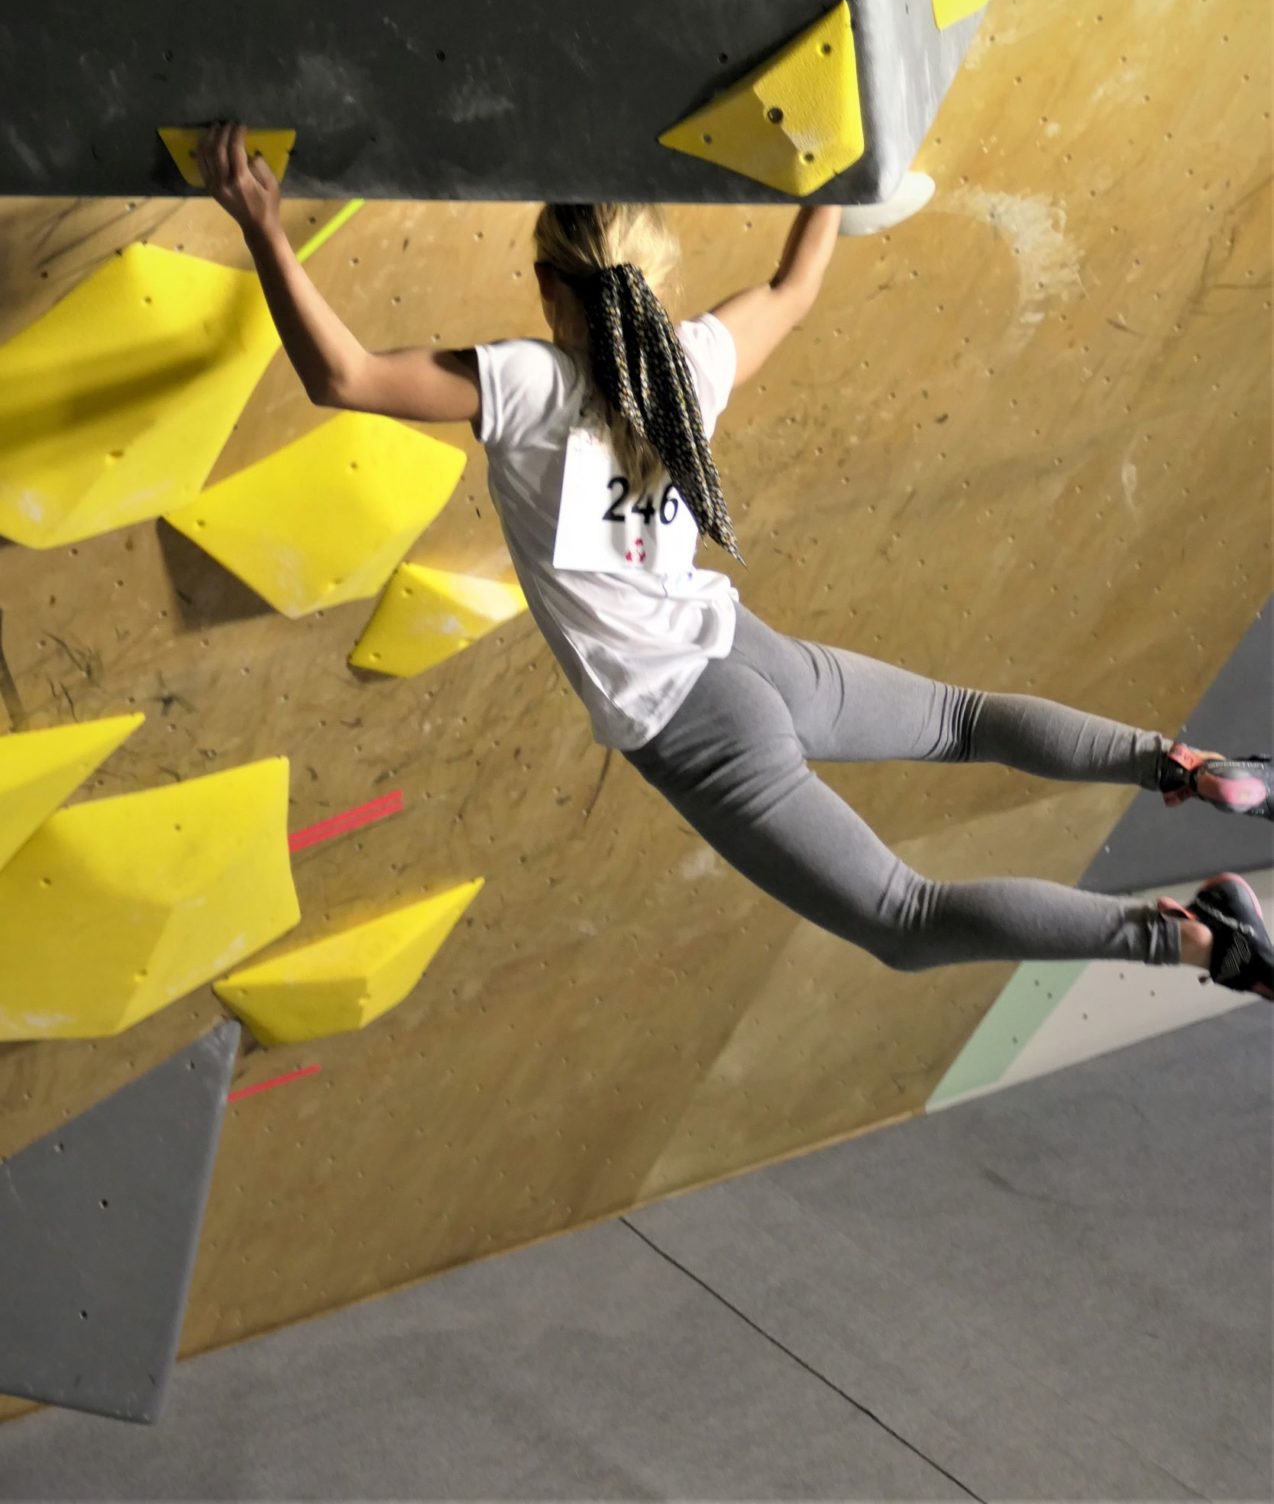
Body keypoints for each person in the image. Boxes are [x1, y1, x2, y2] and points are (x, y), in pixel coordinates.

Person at [197, 122, 1274, 1001]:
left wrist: (262, 225)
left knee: (904, 917)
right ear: (655, 276)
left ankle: (1189, 939)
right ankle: (1183, 767)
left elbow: (343, 377)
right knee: (962, 721)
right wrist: (838, 178)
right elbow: (794, 287)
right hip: (747, 656)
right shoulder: (691, 363)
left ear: (546, 286)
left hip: (692, 721)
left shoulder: (525, 384)